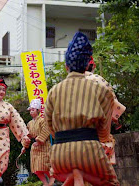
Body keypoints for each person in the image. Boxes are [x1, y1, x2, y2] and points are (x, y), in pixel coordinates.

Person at [44, 32, 119, 185]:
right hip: (88, 149)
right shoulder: (100, 89)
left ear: (66, 66)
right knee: (111, 182)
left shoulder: (54, 91)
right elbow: (104, 130)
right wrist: (100, 139)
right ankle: (80, 173)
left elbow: (49, 125)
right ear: (87, 65)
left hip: (59, 155)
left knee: (71, 174)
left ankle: (76, 175)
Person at [85, 57, 126, 164]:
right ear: (93, 66)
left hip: (76, 135)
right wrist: (116, 119)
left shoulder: (70, 82)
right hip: (100, 129)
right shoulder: (99, 80)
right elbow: (114, 103)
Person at [26, 99, 51, 186]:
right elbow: (27, 135)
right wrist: (24, 145)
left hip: (44, 146)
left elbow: (47, 130)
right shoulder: (29, 123)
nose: (31, 112)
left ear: (38, 110)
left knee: (45, 167)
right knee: (37, 169)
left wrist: (39, 140)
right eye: (30, 110)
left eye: (33, 110)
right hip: (34, 148)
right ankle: (45, 184)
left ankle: (51, 183)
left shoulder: (42, 121)